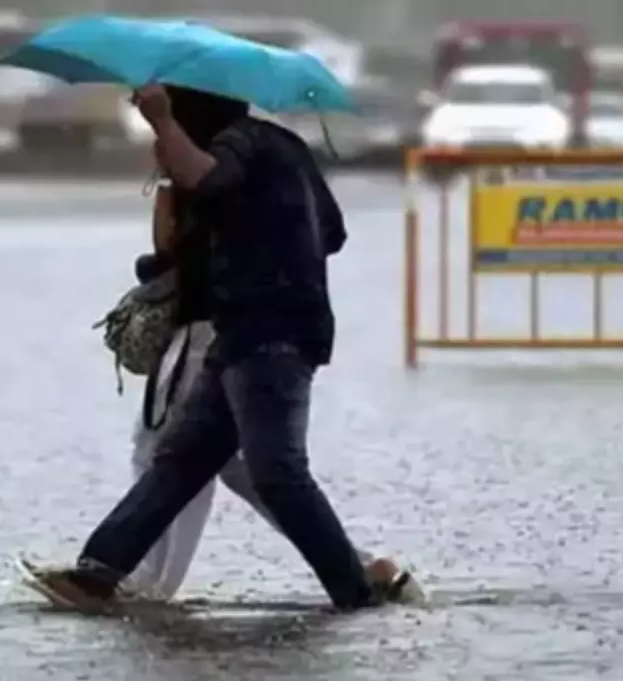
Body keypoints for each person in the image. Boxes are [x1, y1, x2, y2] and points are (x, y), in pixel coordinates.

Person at [30, 84, 414, 611]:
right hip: (244, 333)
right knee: (181, 459)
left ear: (195, 110)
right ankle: (97, 574)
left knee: (275, 472)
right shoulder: (281, 146)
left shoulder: (238, 145)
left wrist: (163, 124)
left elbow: (209, 184)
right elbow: (332, 232)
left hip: (269, 334)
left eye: (178, 111)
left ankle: (357, 588)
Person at [117, 183, 284, 600]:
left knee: (168, 449)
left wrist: (166, 198)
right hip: (233, 326)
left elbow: (170, 247)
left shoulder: (207, 173)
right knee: (241, 467)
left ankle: (152, 580)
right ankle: (353, 564)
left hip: (205, 329)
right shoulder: (251, 173)